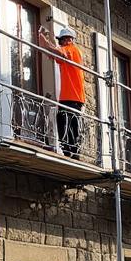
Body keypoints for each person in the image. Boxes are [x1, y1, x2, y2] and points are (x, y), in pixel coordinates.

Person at [37, 24, 86, 159]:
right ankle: (69, 151)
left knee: (68, 123)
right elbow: (54, 53)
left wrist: (45, 42)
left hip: (73, 96)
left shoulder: (72, 50)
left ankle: (72, 152)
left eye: (61, 40)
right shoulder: (68, 52)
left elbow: (57, 52)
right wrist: (45, 43)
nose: (60, 43)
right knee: (64, 122)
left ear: (68, 39)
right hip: (70, 96)